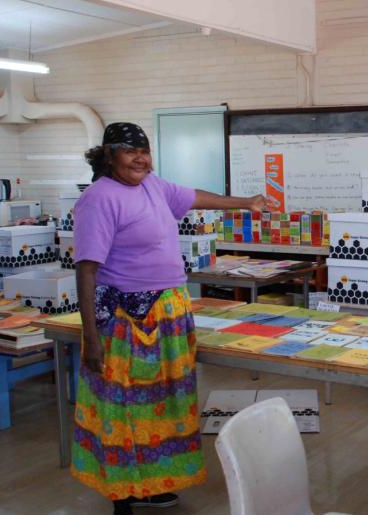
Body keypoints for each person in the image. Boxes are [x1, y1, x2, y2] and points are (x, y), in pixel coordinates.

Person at [71, 122, 266, 515]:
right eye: (130, 151)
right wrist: (90, 337)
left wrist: (246, 201)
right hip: (127, 320)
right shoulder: (99, 198)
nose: (140, 158)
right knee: (124, 405)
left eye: (144, 150)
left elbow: (195, 197)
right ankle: (122, 493)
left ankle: (152, 483)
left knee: (163, 402)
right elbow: (86, 270)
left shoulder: (153, 186)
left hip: (169, 314)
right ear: (109, 155)